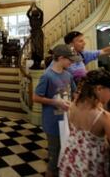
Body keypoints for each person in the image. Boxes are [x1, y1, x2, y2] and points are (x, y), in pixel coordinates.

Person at [33, 44, 81, 177]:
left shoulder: (68, 74)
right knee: (54, 154)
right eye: (70, 60)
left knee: (65, 150)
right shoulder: (47, 76)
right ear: (60, 58)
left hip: (67, 119)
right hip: (52, 122)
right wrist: (54, 101)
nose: (72, 63)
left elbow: (74, 92)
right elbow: (36, 97)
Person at [27, 2, 44, 69]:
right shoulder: (31, 18)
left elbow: (42, 12)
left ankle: (39, 63)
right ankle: (34, 63)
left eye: (35, 11)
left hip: (39, 34)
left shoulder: (40, 19)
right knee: (33, 49)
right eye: (33, 12)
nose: (34, 12)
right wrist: (31, 7)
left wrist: (36, 6)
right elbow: (27, 13)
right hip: (33, 34)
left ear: (37, 13)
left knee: (39, 48)